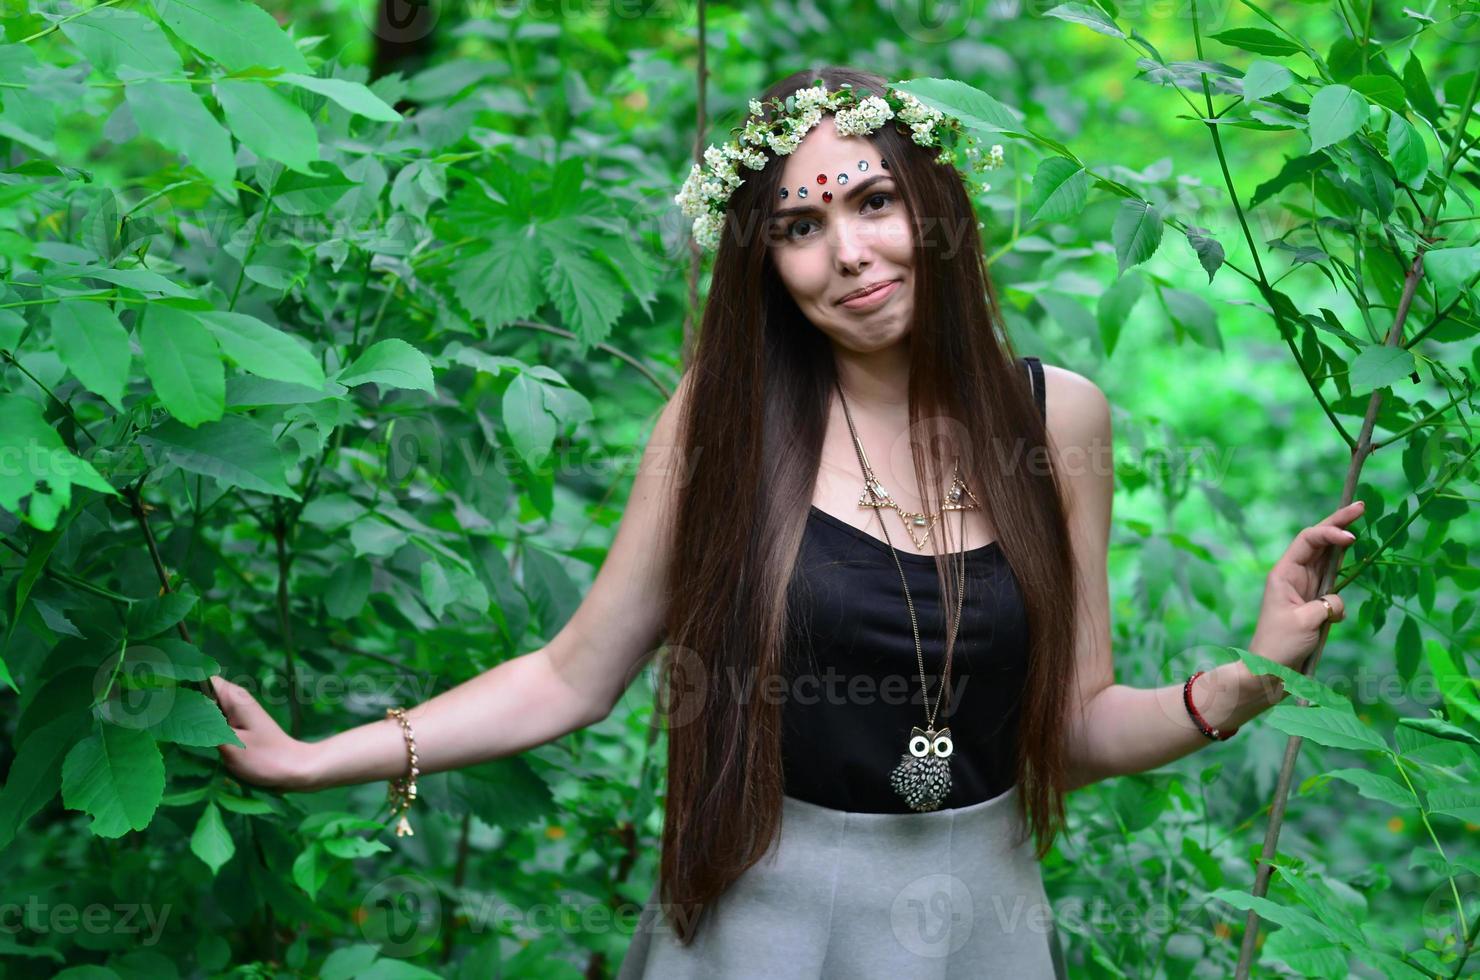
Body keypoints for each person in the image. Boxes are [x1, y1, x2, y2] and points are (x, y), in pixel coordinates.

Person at [211, 65, 1365, 978]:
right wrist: (325, 758)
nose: (848, 252)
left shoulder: (1057, 417)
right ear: (765, 262)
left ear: (935, 206)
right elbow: (571, 674)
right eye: (800, 228)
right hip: (765, 917)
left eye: (873, 202)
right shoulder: (720, 426)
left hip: (978, 914)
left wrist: (1249, 676)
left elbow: (1070, 728)